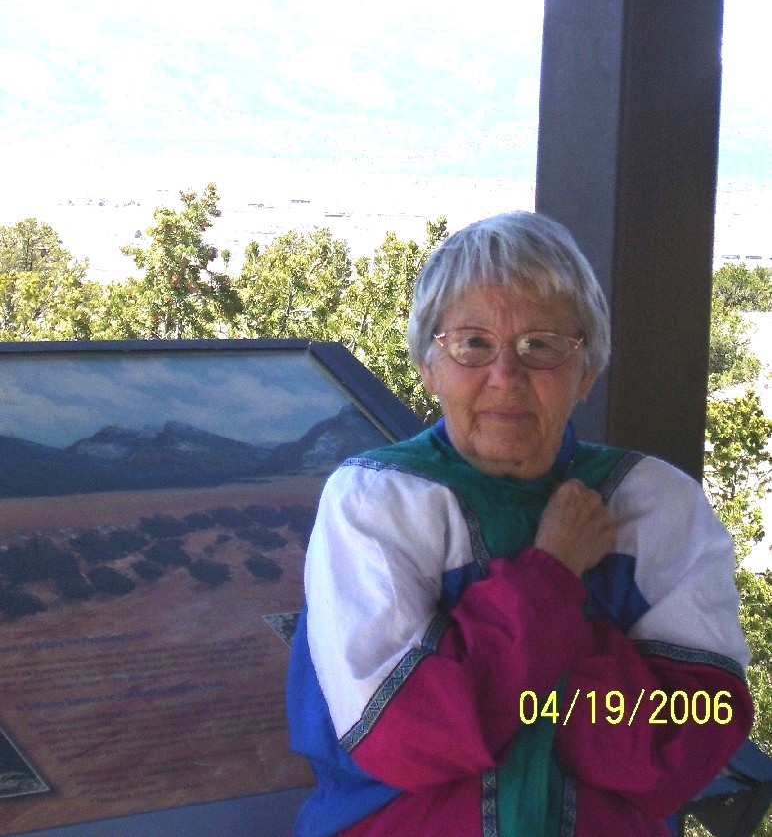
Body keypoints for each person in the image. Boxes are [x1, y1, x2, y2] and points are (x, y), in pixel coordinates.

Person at [287, 211, 753, 836]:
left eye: (541, 345)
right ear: (428, 365)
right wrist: (552, 576)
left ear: (586, 370)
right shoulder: (376, 501)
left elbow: (685, 742)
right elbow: (406, 732)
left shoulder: (655, 505)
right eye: (473, 344)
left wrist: (506, 678)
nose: (505, 375)